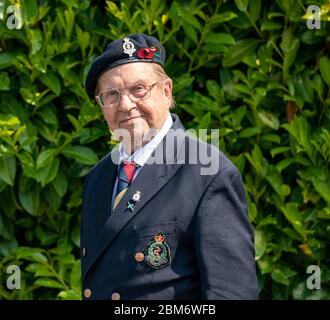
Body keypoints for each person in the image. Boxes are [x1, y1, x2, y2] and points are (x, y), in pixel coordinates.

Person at [81, 33, 258, 300]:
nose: (126, 105)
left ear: (166, 91)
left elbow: (231, 294)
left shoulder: (207, 173)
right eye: (112, 95)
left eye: (138, 89)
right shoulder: (98, 178)